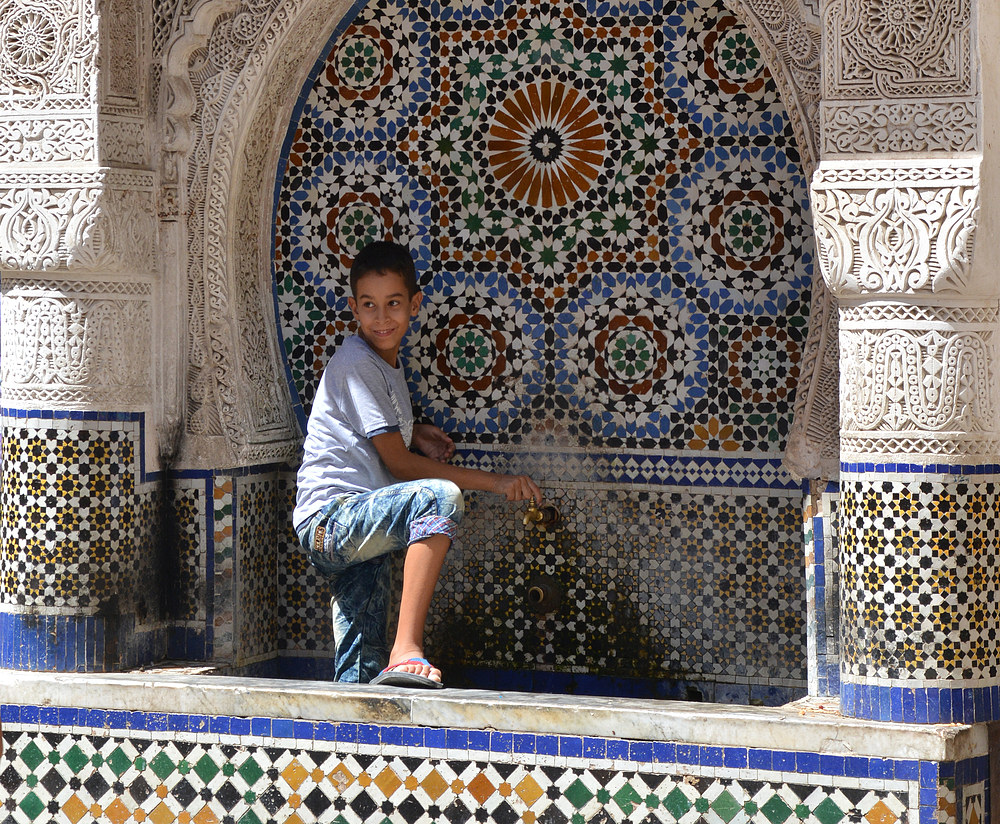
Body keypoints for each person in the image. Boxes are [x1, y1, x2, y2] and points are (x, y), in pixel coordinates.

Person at [293, 240, 543, 689]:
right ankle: (406, 648)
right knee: (439, 498)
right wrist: (496, 482)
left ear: (414, 305)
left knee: (358, 670)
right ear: (353, 307)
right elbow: (401, 466)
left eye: (393, 304)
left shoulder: (386, 366)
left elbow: (376, 434)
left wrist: (413, 430)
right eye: (369, 305)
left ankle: (355, 747)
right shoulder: (356, 361)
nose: (382, 317)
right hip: (332, 521)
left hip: (358, 523)